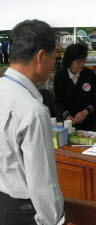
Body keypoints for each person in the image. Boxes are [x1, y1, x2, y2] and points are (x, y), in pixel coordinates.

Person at [0, 19, 64, 225]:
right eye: (54, 57)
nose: (54, 65)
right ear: (41, 56)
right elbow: (42, 182)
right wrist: (54, 219)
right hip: (21, 210)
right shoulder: (33, 111)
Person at [54, 43, 96, 132]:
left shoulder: (90, 75)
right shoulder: (60, 76)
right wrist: (67, 115)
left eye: (84, 60)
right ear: (69, 61)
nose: (82, 64)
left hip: (90, 124)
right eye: (78, 61)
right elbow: (58, 101)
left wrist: (86, 111)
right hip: (70, 124)